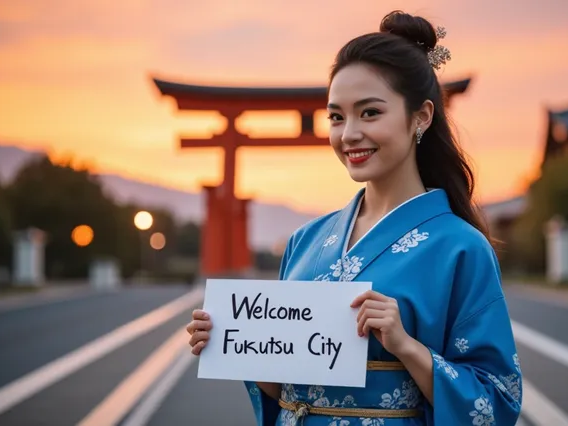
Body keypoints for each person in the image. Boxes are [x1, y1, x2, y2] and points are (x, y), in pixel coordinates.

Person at [186, 10, 523, 425]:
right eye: (336, 116)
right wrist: (236, 346)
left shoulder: (460, 247)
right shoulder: (305, 241)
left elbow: (497, 399)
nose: (348, 135)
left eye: (369, 113)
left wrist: (405, 345)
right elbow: (289, 393)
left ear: (421, 116)